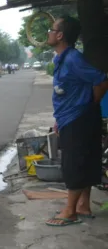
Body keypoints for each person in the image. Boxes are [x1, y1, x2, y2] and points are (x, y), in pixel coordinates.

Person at [46, 15, 108, 226]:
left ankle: (70, 211)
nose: (49, 33)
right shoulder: (62, 59)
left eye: (52, 30)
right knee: (87, 159)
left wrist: (92, 102)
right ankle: (83, 206)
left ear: (60, 35)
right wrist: (60, 119)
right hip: (72, 116)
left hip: (79, 117)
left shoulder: (73, 59)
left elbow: (101, 80)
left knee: (73, 164)